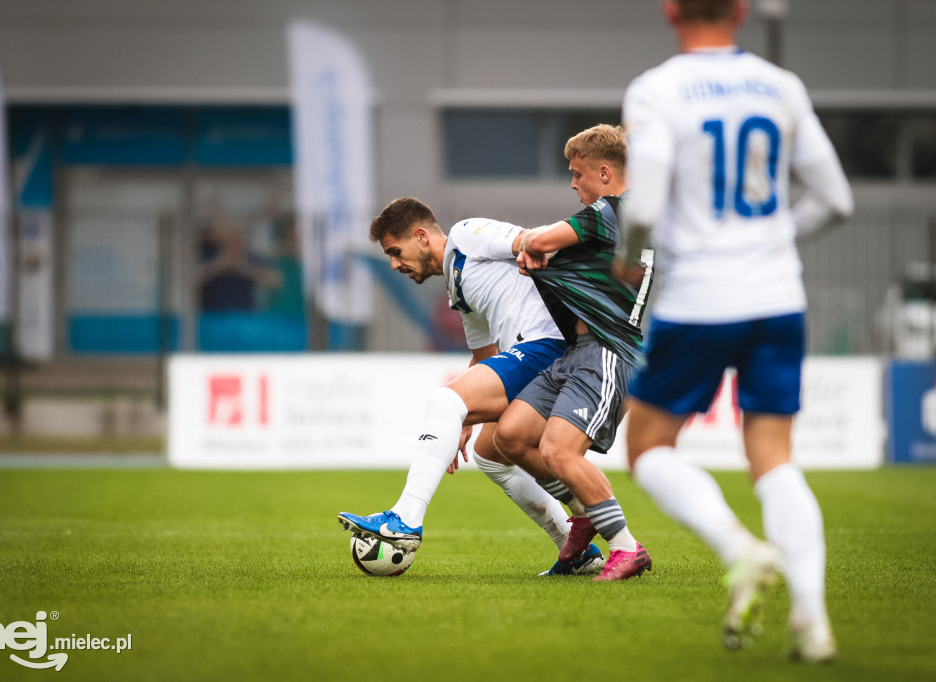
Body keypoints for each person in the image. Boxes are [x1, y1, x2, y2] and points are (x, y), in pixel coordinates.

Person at [616, 0, 853, 661]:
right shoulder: (783, 86)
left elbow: (643, 202)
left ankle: (738, 549)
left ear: (670, 11)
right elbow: (837, 200)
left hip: (700, 298)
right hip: (779, 295)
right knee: (774, 457)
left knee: (650, 447)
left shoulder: (658, 89)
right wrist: (774, 236)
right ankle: (813, 623)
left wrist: (631, 252)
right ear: (743, 11)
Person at [338, 198, 606, 576]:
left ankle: (405, 519)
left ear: (420, 236)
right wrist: (462, 422)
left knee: (443, 400)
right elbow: (483, 356)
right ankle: (576, 551)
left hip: (548, 346)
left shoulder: (466, 235)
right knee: (489, 452)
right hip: (530, 353)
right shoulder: (457, 287)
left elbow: (529, 241)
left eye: (396, 252)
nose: (395, 265)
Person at [493, 124, 655, 581]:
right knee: (512, 436)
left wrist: (532, 248)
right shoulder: (621, 220)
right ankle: (585, 515)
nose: (572, 183)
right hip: (574, 351)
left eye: (577, 172)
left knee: (561, 452)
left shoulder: (612, 211)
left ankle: (626, 547)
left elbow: (539, 242)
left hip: (605, 350)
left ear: (604, 173)